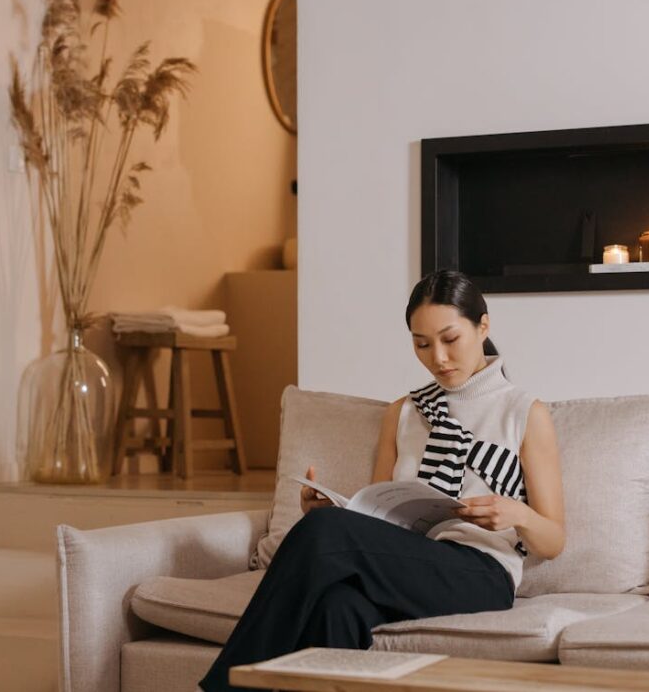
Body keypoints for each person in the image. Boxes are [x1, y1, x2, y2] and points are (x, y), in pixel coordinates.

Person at [199, 270, 565, 691]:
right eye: (421, 344)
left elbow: (553, 540)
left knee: (324, 534)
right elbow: (377, 515)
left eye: (450, 340)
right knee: (338, 606)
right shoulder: (403, 412)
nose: (438, 359)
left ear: (482, 326)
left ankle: (224, 687)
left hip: (480, 573)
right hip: (406, 561)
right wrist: (331, 510)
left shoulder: (524, 412)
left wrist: (516, 513)